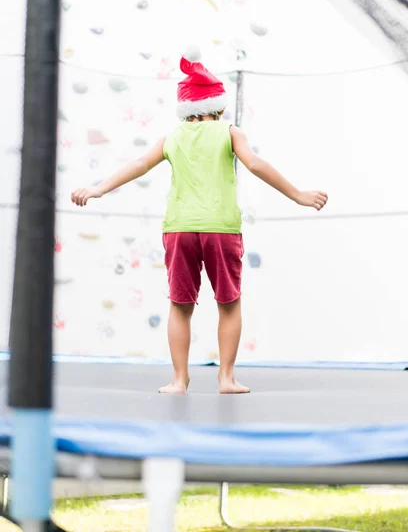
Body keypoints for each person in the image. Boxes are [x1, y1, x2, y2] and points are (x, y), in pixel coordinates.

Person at [71, 47, 328, 395]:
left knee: (180, 306)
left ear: (186, 109)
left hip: (179, 229)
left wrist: (99, 188)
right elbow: (254, 164)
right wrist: (297, 194)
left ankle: (179, 379)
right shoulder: (230, 132)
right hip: (220, 229)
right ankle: (226, 378)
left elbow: (138, 165)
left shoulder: (172, 137)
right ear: (220, 107)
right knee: (229, 303)